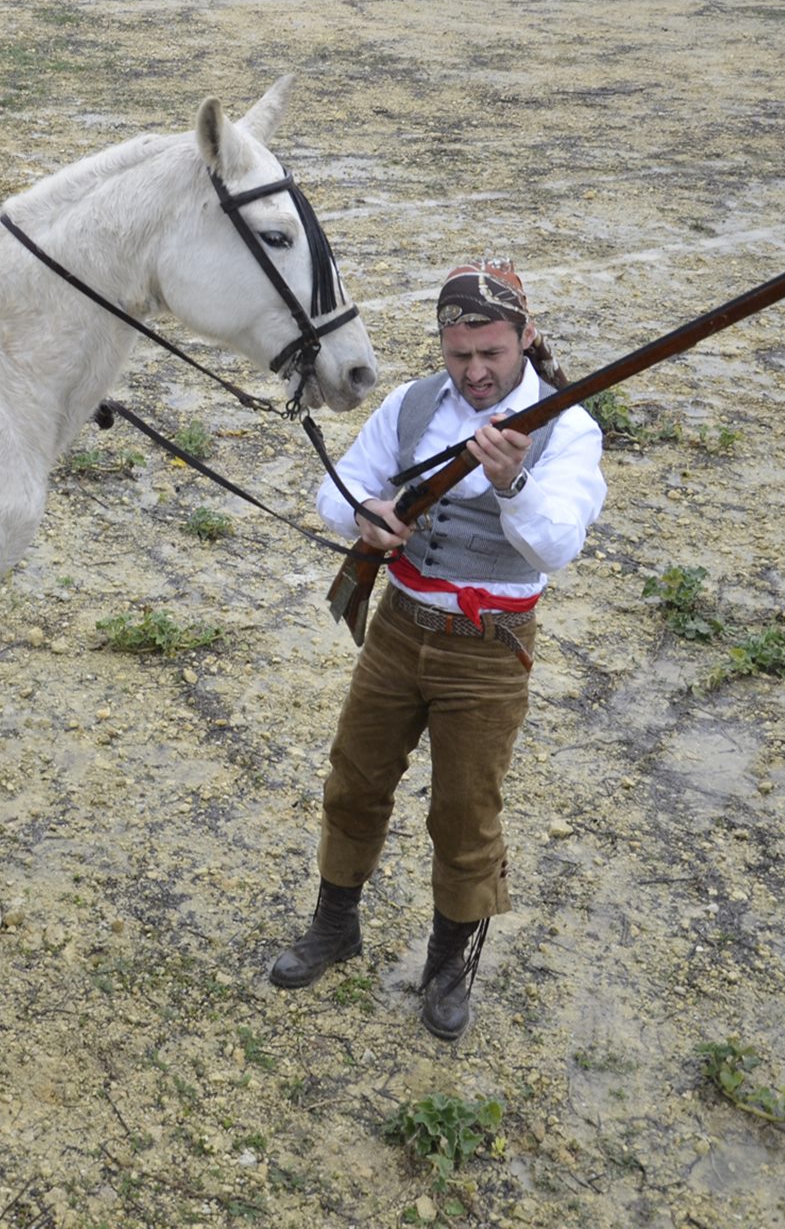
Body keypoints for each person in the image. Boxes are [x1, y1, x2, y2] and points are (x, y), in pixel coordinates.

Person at [269, 257, 606, 1040]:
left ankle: (449, 965)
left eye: (492, 353)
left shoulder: (568, 425)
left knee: (465, 814)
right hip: (396, 628)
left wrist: (512, 485)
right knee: (354, 783)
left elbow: (557, 545)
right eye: (460, 356)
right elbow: (340, 484)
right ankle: (334, 926)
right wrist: (363, 516)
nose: (477, 372)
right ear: (442, 347)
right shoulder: (414, 404)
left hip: (490, 651)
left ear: (525, 337)